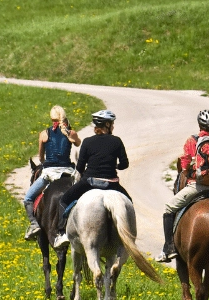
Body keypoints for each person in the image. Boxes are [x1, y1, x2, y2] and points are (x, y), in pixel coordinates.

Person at [156, 109, 209, 263]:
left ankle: (168, 248)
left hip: (196, 186)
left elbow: (184, 165)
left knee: (169, 208)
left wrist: (188, 170)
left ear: (199, 124)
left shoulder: (192, 141)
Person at [54, 110, 130, 248]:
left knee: (64, 200)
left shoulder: (88, 142)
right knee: (128, 202)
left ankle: (62, 233)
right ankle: (129, 235)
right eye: (112, 124)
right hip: (111, 184)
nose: (113, 126)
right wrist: (115, 165)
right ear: (107, 125)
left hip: (89, 182)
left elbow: (80, 167)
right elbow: (125, 164)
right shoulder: (117, 141)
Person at [23, 105, 81, 240]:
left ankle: (34, 224)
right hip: (68, 172)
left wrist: (46, 161)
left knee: (28, 198)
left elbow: (41, 158)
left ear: (51, 118)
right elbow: (78, 143)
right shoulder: (71, 133)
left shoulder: (44, 134)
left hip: (49, 173)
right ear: (64, 117)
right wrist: (69, 132)